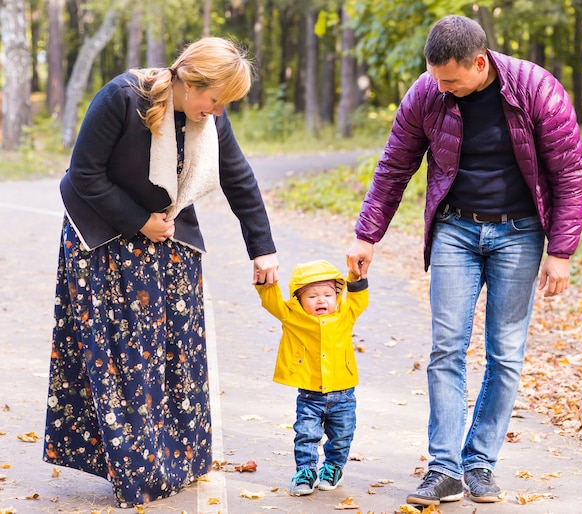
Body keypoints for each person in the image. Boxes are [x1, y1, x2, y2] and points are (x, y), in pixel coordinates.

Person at [346, 15, 582, 507]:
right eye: (436, 78)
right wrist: (366, 235)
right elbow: (395, 163)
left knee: (505, 354)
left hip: (519, 234)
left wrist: (560, 252)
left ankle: (479, 462)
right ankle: (444, 469)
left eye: (452, 80)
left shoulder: (536, 89)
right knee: (446, 349)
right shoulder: (427, 93)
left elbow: (570, 173)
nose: (443, 89)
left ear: (480, 63)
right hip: (455, 228)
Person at [42, 37, 279, 508]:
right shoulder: (122, 97)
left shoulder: (208, 116)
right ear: (191, 82)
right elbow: (82, 174)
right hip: (105, 236)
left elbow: (238, 177)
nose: (217, 111)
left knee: (178, 353)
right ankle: (136, 471)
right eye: (215, 99)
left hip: (167, 236)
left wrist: (263, 249)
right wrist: (138, 222)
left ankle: (177, 462)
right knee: (127, 359)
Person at [255, 260, 368, 496]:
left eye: (328, 294)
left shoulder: (345, 314)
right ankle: (305, 471)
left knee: (342, 436)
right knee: (306, 434)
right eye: (312, 296)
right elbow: (271, 300)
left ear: (337, 296)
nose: (321, 300)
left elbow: (359, 300)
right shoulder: (292, 315)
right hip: (309, 394)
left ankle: (334, 467)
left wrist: (355, 276)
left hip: (344, 392)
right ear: (298, 299)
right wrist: (266, 280)